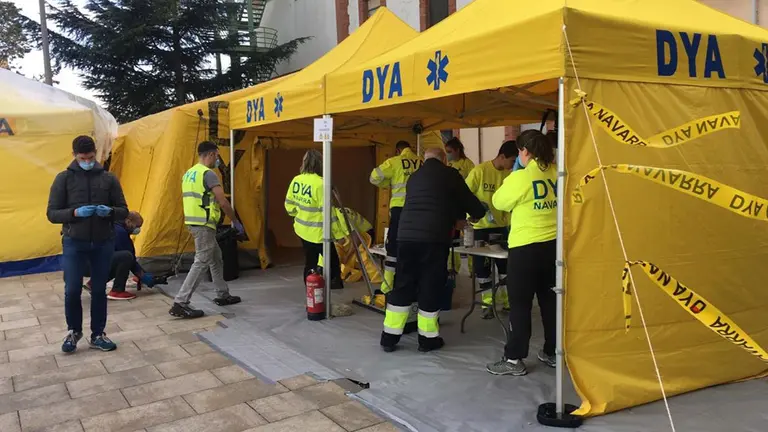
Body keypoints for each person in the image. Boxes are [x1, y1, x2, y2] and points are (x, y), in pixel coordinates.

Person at [381, 148, 485, 353]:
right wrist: (477, 212)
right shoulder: (450, 174)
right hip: (433, 238)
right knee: (430, 284)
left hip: (406, 236)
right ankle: (427, 339)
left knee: (403, 284)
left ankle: (389, 337)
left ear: (425, 159)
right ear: (444, 159)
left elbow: (432, 201)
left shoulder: (414, 177)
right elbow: (467, 201)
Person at [47, 135, 128, 353]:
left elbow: (123, 210)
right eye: (83, 158)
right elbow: (52, 213)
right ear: (74, 155)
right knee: (72, 289)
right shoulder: (63, 179)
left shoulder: (108, 179)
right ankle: (74, 331)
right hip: (74, 242)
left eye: (91, 157)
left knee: (99, 290)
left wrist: (110, 212)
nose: (88, 161)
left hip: (103, 243)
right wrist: (74, 213)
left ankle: (98, 334)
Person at [486, 130, 557, 376]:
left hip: (525, 248)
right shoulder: (558, 173)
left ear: (524, 152)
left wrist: (515, 177)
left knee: (520, 305)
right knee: (551, 301)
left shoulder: (521, 178)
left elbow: (499, 202)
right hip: (553, 248)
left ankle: (514, 359)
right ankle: (552, 352)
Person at [170, 141, 243, 319]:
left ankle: (222, 294)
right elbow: (223, 201)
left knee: (215, 258)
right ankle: (181, 302)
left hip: (194, 222)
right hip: (204, 224)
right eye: (217, 156)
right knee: (202, 261)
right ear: (210, 154)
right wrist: (236, 222)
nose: (217, 159)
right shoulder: (208, 174)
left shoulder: (189, 173)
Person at [465, 140, 518, 319]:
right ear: (502, 156)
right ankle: (487, 303)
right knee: (483, 267)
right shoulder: (480, 171)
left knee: (505, 266)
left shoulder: (509, 176)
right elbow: (465, 193)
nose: (512, 165)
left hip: (502, 228)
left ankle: (507, 301)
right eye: (511, 160)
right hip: (481, 228)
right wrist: (471, 212)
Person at [285, 149, 344, 289]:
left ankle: (311, 290)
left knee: (310, 262)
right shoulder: (321, 184)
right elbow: (329, 213)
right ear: (320, 164)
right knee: (333, 265)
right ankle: (328, 292)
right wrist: (339, 234)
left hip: (302, 230)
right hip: (319, 233)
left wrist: (300, 214)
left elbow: (289, 205)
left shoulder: (297, 180)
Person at [444, 137, 475, 277]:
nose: (448, 153)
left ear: (457, 150)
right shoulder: (447, 164)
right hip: (450, 205)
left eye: (449, 151)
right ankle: (452, 266)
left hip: (462, 205)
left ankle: (473, 267)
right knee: (453, 238)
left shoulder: (468, 164)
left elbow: (472, 185)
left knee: (469, 237)